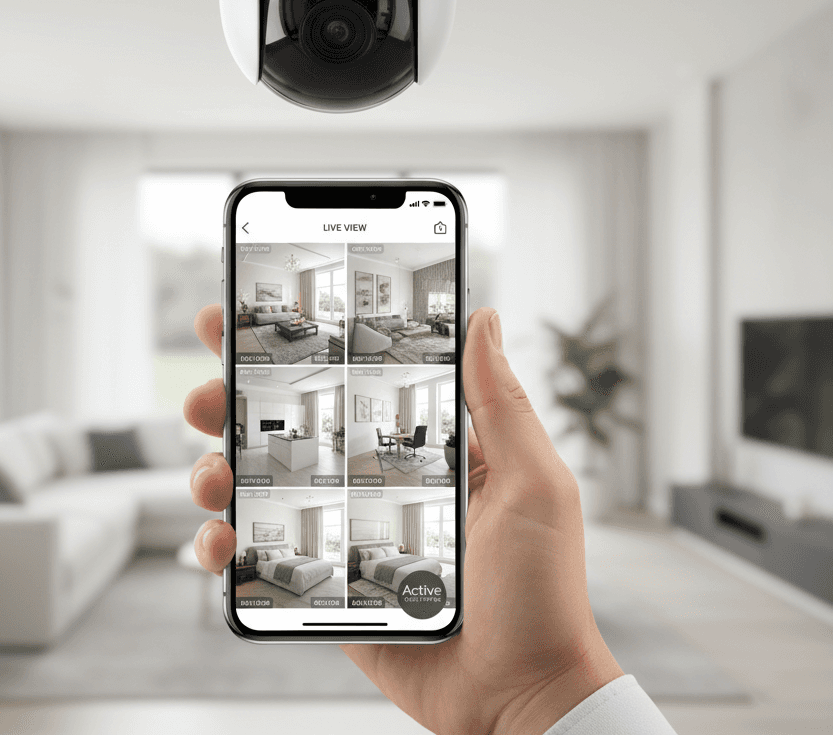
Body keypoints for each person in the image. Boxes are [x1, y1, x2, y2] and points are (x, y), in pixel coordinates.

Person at [185, 305, 678, 735]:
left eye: (382, 552)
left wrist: (538, 688)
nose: (389, 554)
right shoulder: (291, 554)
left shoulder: (388, 538)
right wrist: (539, 695)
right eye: (378, 553)